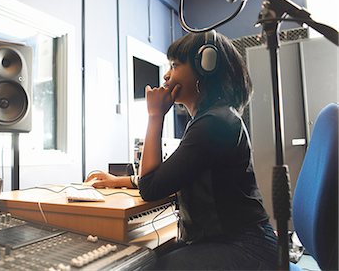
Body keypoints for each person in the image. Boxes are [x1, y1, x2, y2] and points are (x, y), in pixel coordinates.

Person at [86, 30, 277, 270]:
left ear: (205, 68)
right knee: (152, 255)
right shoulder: (213, 118)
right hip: (237, 242)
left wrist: (155, 117)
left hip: (245, 249)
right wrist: (120, 180)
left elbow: (152, 188)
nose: (166, 75)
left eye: (175, 65)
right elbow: (176, 174)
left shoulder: (213, 123)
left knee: (145, 264)